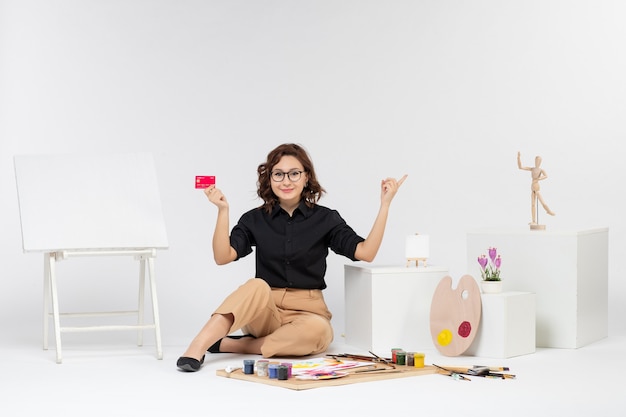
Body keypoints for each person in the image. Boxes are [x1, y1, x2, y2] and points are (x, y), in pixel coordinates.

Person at [177, 143, 407, 372]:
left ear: (306, 177)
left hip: (308, 313)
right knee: (256, 285)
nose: (286, 181)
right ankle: (198, 346)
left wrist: (385, 205)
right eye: (278, 174)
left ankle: (236, 345)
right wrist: (223, 211)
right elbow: (222, 256)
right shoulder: (254, 219)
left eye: (294, 173)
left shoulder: (326, 219)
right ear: (269, 179)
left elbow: (366, 252)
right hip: (264, 312)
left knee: (319, 333)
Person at [517, 151, 555, 225]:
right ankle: (534, 221)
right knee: (533, 204)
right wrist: (518, 158)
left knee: (542, 201)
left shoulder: (541, 170)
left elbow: (546, 176)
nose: (537, 162)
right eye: (536, 160)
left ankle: (549, 211)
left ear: (540, 162)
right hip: (532, 187)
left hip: (536, 186)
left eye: (538, 161)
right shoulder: (532, 169)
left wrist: (539, 179)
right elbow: (520, 167)